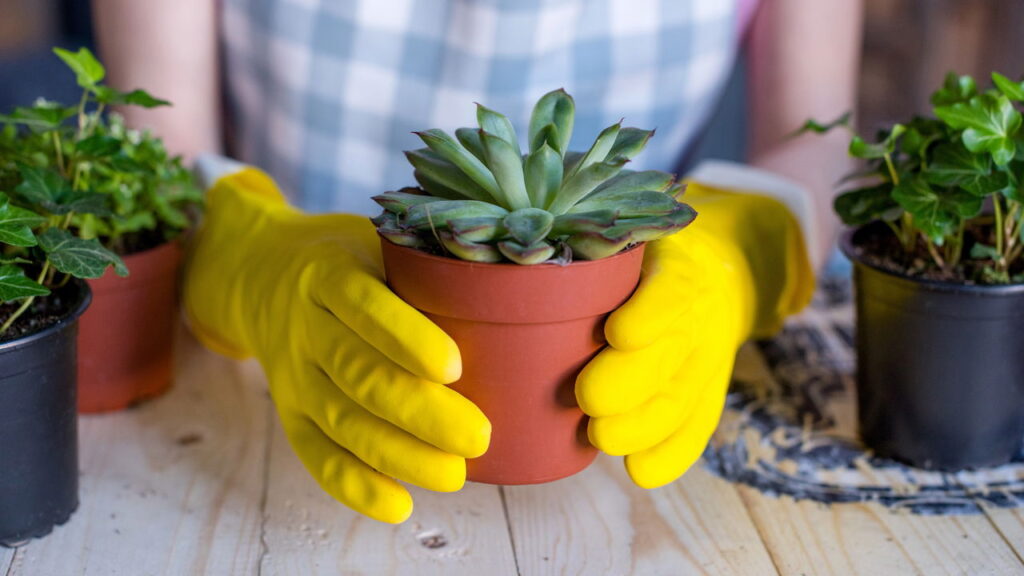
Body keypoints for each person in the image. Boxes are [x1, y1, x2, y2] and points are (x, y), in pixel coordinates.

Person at [93, 0, 862, 523]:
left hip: (642, 381)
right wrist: (244, 253)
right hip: (266, 392)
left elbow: (819, 133)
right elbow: (153, 137)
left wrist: (742, 246)